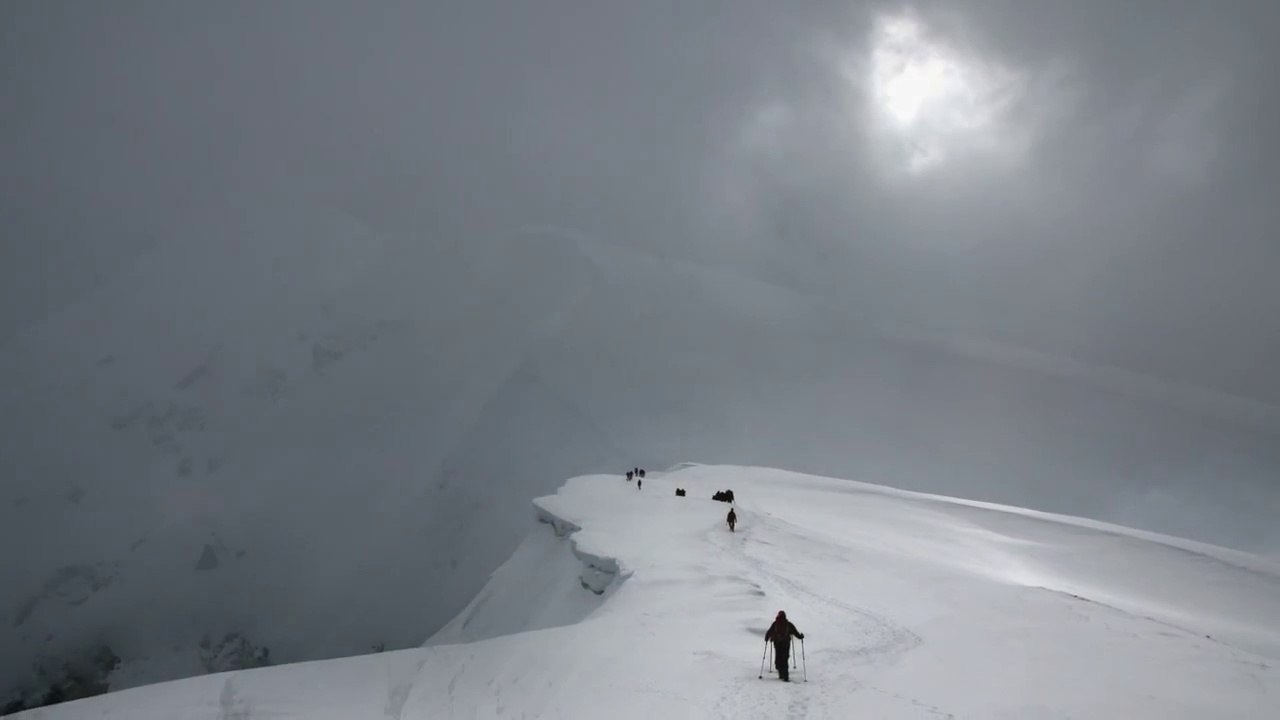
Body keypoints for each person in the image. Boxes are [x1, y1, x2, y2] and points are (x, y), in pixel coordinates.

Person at [764, 611, 803, 681]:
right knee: (785, 658)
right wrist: (800, 636)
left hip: (777, 643)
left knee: (778, 657)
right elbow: (795, 632)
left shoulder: (775, 624)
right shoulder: (788, 624)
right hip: (786, 643)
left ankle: (780, 671)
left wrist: (767, 638)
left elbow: (769, 632)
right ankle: (785, 676)